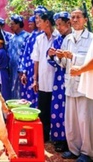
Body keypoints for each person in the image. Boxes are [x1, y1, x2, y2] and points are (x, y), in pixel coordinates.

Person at [54, 8, 93, 162]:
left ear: (85, 20)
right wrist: (60, 57)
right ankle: (74, 149)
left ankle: (87, 152)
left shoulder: (91, 39)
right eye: (73, 17)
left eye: (78, 17)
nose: (75, 20)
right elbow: (64, 64)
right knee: (71, 120)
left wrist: (74, 56)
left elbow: (90, 62)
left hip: (84, 86)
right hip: (70, 84)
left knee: (85, 120)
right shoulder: (67, 39)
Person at [31, 10, 59, 143]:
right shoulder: (39, 39)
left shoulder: (59, 37)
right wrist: (35, 79)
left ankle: (57, 137)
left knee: (56, 108)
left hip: (56, 82)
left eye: (40, 21)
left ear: (47, 22)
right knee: (43, 108)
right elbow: (36, 60)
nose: (38, 23)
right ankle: (44, 136)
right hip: (42, 80)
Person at [47, 11, 72, 152]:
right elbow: (50, 60)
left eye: (60, 25)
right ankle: (59, 139)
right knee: (58, 107)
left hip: (71, 77)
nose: (58, 28)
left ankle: (70, 141)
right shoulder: (57, 40)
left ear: (68, 23)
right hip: (58, 79)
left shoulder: (74, 39)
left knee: (69, 109)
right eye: (57, 25)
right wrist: (51, 56)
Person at [20, 6, 47, 108]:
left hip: (44, 71)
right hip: (31, 71)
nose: (38, 20)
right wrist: (23, 71)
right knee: (31, 95)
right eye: (36, 17)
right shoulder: (32, 36)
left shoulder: (49, 35)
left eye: (40, 17)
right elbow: (26, 54)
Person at [7, 14, 30, 99]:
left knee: (21, 90)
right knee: (13, 89)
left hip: (22, 69)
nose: (11, 26)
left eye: (12, 24)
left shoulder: (27, 36)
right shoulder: (12, 37)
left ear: (18, 24)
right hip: (11, 68)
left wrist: (23, 69)